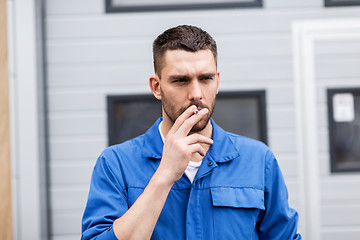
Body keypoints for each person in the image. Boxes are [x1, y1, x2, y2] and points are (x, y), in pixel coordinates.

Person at [81, 25, 301, 240]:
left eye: (206, 78)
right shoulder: (115, 164)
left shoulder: (258, 160)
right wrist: (165, 175)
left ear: (217, 81)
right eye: (180, 80)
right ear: (156, 87)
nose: (196, 94)